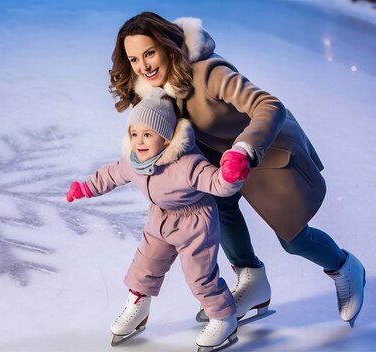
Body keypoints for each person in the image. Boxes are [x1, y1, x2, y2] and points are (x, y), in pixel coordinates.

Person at [108, 12, 365, 327]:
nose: (143, 66)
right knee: (217, 207)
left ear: (167, 46)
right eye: (134, 59)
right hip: (218, 163)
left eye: (149, 53)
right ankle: (251, 278)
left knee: (294, 239)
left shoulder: (208, 73)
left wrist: (244, 149)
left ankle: (344, 266)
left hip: (266, 153)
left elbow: (269, 106)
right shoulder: (153, 89)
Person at [66, 87, 250, 350]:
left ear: (165, 139)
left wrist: (231, 176)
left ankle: (224, 317)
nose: (139, 141)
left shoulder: (187, 163)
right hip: (159, 220)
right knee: (144, 266)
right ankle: (138, 307)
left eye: (147, 135)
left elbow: (216, 183)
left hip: (194, 222)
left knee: (200, 277)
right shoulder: (133, 161)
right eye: (134, 134)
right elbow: (111, 174)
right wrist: (86, 187)